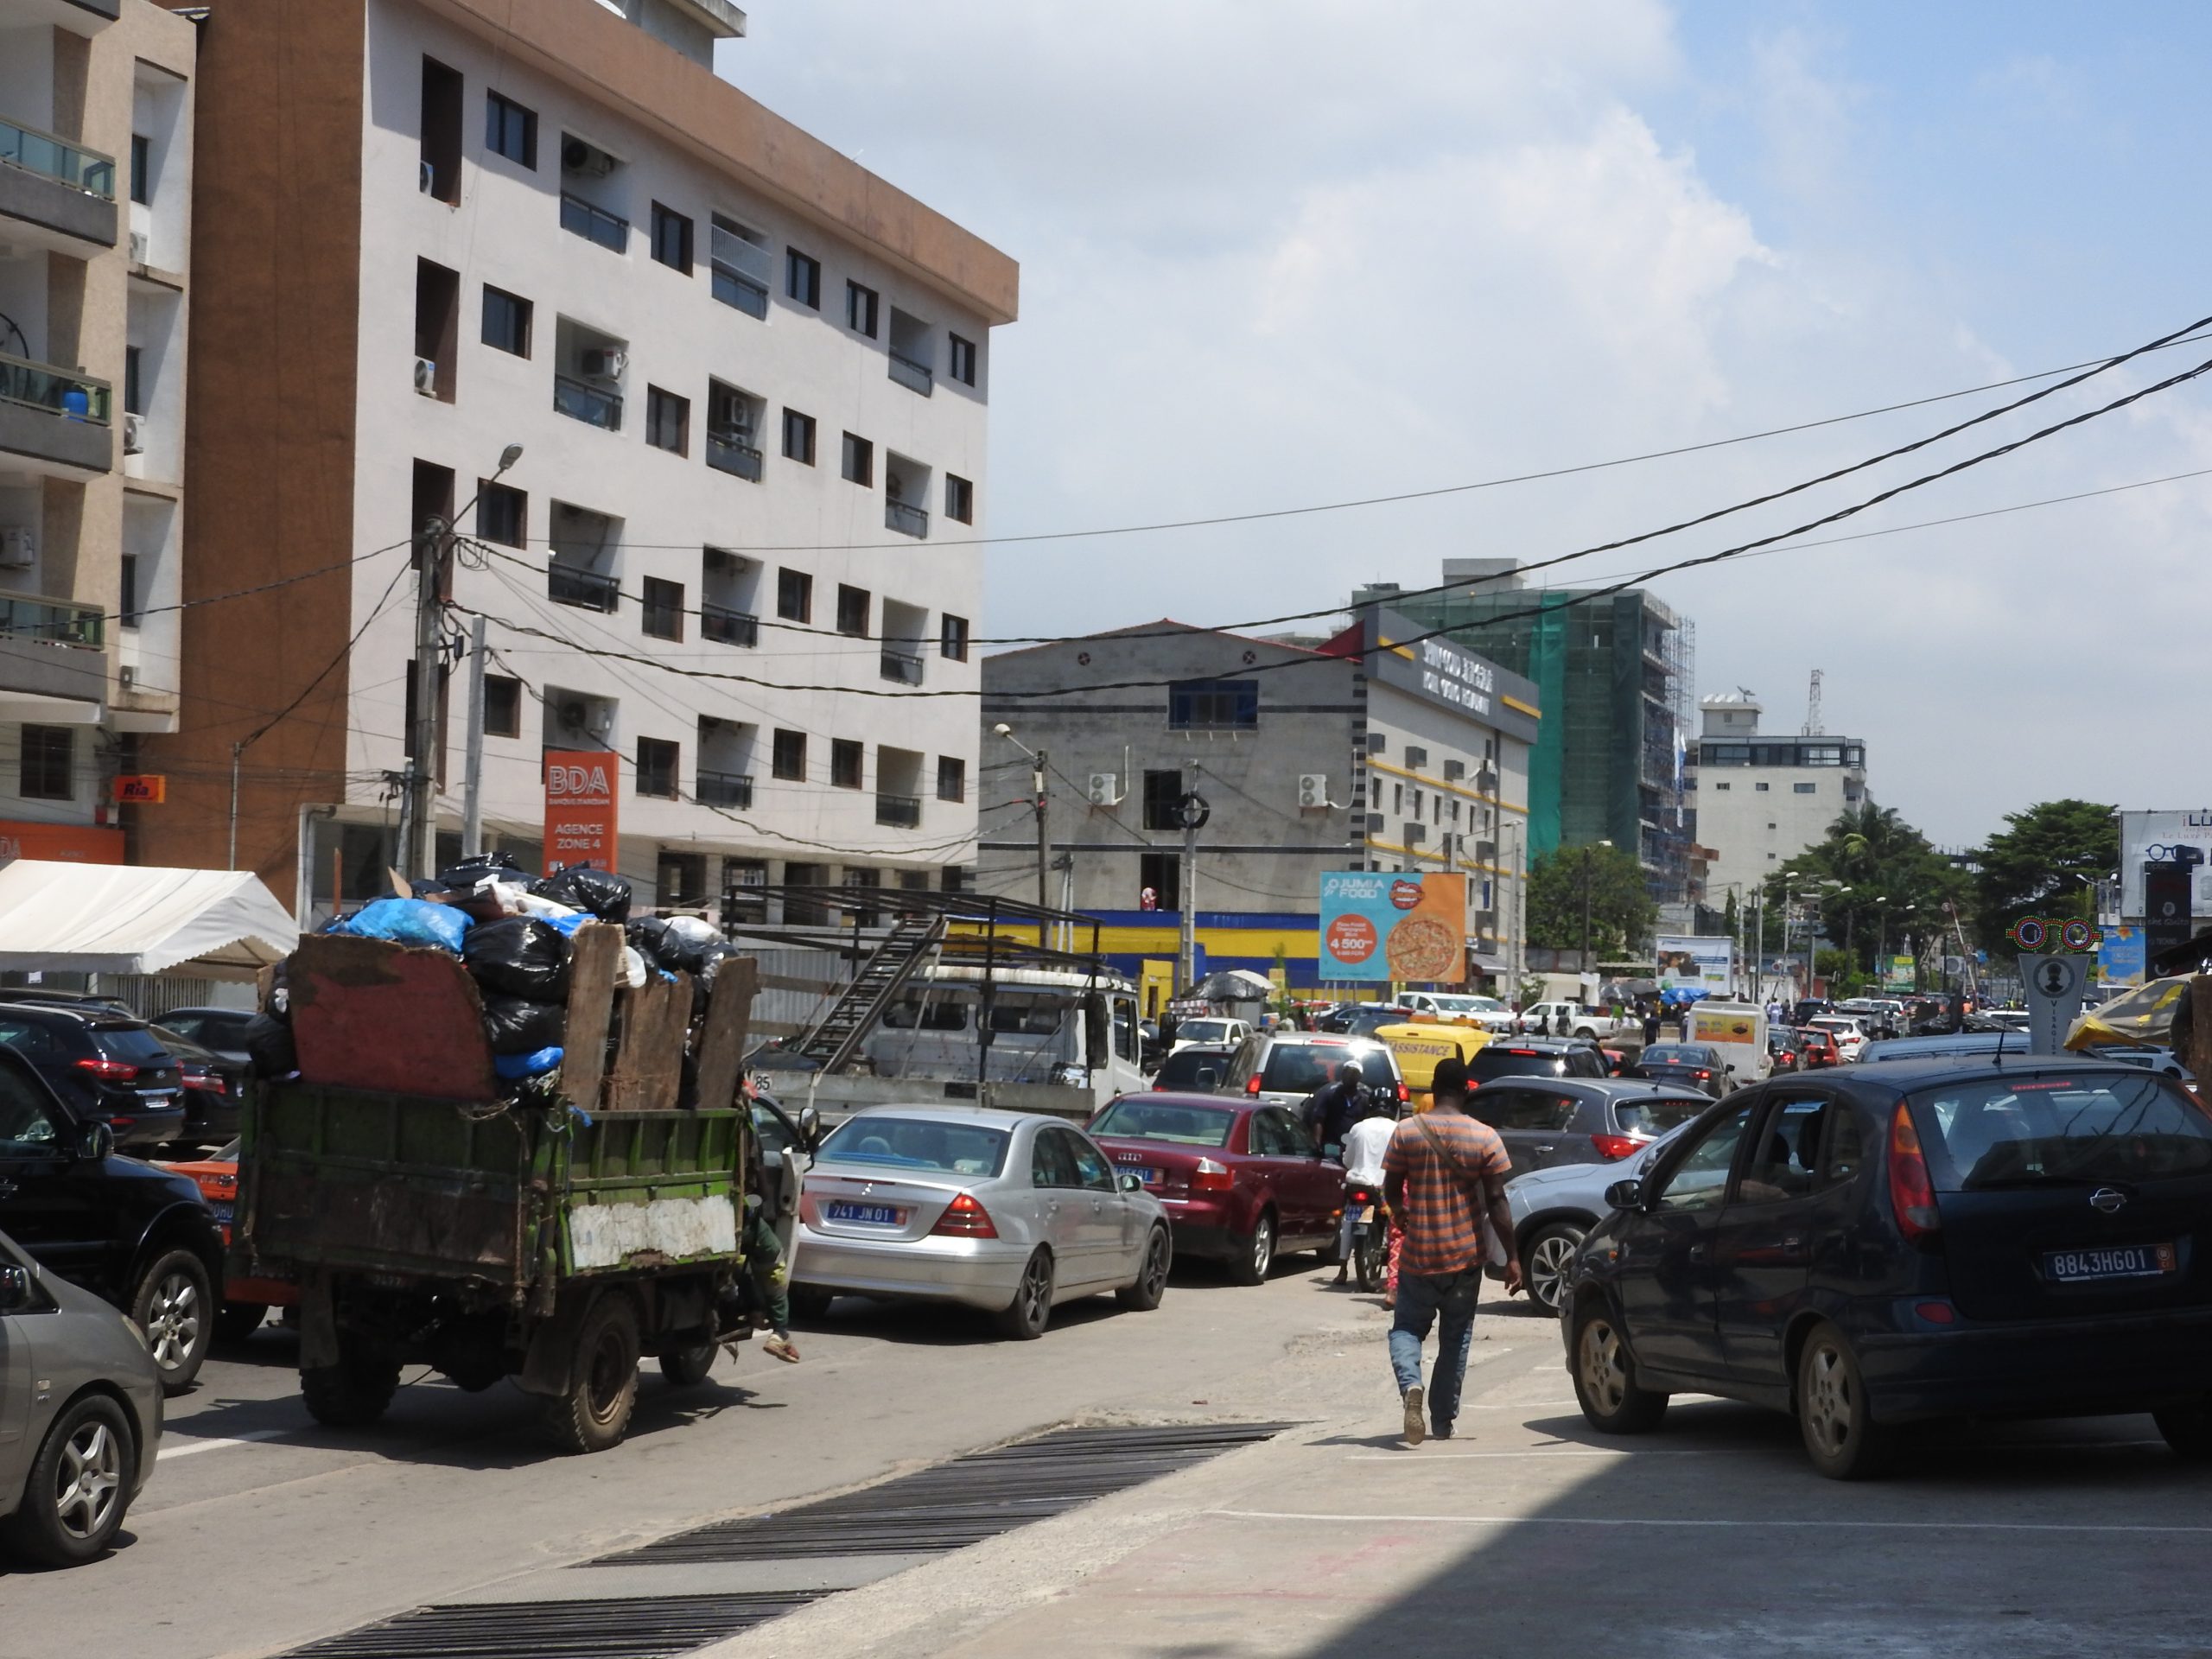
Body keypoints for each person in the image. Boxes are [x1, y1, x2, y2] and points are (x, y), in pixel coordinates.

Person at [1381, 1056, 1520, 1446]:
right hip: (1464, 1257)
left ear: (1433, 1088)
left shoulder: (1407, 1132)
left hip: (1418, 1256)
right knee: (1455, 1338)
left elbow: (1391, 1187)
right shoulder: (1485, 1137)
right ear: (1466, 1090)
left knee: (1407, 1327)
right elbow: (1497, 1201)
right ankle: (1442, 1421)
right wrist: (1512, 1257)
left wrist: (1401, 1215)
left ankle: (1411, 1384)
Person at [1333, 1096, 1397, 1286]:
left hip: (1357, 1184)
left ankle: (1342, 1268)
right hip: (1382, 1187)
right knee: (1394, 1222)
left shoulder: (1358, 1127)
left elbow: (1347, 1160)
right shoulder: (1397, 1128)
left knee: (1348, 1221)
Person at [737, 1197, 800, 1363]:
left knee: (740, 1265)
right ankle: (780, 1333)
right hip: (741, 1227)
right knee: (775, 1268)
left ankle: (756, 1311)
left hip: (728, 1237)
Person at [1300, 1058, 1366, 1160]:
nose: (1350, 1076)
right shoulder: (1329, 1094)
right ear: (1342, 1074)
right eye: (1347, 1072)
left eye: (1354, 1074)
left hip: (1353, 1146)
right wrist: (1317, 1143)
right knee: (1332, 1166)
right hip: (1332, 1144)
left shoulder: (1364, 1098)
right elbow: (1319, 1119)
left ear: (1359, 1077)